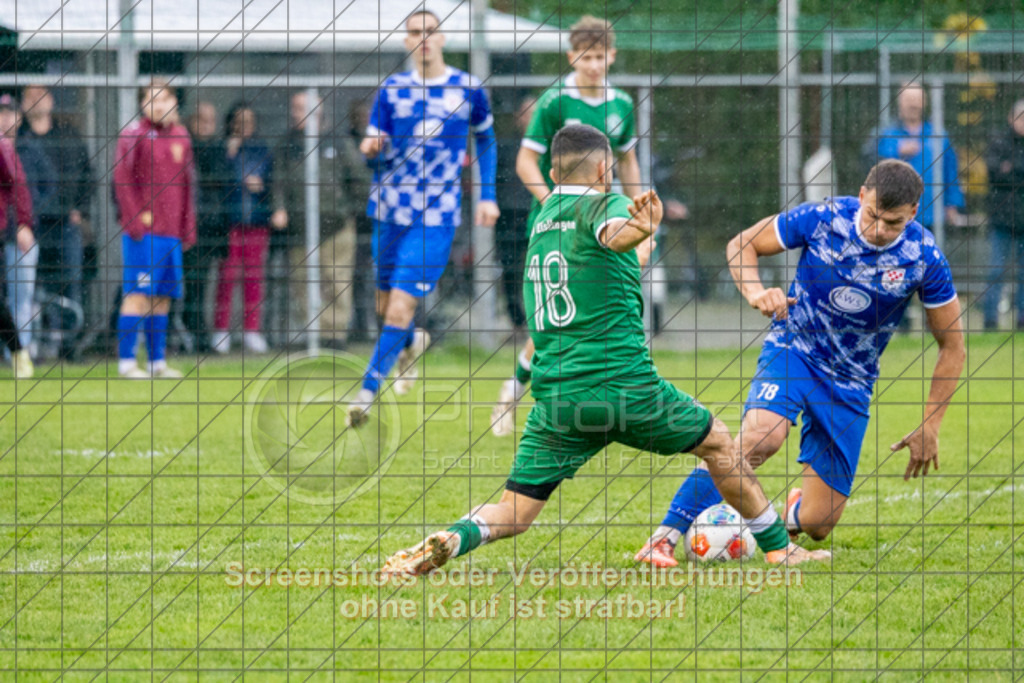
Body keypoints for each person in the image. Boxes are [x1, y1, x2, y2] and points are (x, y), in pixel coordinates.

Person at [381, 125, 827, 576]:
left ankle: (454, 537)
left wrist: (633, 240)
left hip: (558, 399)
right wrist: (639, 226)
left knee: (514, 513)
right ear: (602, 168)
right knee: (718, 443)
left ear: (552, 171)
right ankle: (779, 548)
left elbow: (598, 257)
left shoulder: (545, 218)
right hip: (625, 389)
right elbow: (613, 233)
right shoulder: (604, 202)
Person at [634, 160, 966, 568]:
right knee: (760, 439)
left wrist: (931, 424)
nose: (878, 229)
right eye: (872, 215)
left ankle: (792, 512)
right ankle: (663, 538)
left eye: (892, 223)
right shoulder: (823, 218)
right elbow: (741, 244)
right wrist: (757, 293)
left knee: (819, 522)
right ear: (861, 196)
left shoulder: (924, 257)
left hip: (852, 382)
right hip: (795, 350)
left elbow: (952, 346)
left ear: (913, 213)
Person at [491, 15, 643, 437]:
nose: (593, 64)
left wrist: (635, 211)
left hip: (605, 228)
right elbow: (525, 161)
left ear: (611, 56)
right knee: (552, 317)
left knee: (606, 308)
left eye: (600, 56)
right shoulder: (554, 101)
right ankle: (518, 390)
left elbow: (627, 160)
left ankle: (608, 395)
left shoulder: (622, 105)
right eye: (585, 56)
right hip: (559, 229)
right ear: (571, 56)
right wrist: (557, 204)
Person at [347, 9, 499, 427]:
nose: (424, 39)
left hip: (436, 215)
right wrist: (370, 146)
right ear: (406, 41)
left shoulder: (467, 88)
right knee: (386, 306)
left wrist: (487, 195)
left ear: (443, 38)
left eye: (431, 31)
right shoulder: (392, 90)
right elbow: (372, 139)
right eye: (416, 32)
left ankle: (365, 394)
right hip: (389, 210)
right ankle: (412, 341)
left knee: (398, 306)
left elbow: (486, 141)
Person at [272, 91, 369, 349]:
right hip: (299, 227)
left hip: (336, 226)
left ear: (318, 111)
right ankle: (313, 334)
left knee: (335, 281)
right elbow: (278, 181)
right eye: (294, 108)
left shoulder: (337, 141)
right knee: (302, 282)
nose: (295, 114)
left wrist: (348, 209)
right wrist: (279, 208)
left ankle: (334, 335)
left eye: (300, 108)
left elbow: (358, 178)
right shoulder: (288, 143)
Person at [113, 78, 195, 379]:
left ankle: (156, 362)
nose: (159, 105)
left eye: (164, 99)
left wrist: (188, 226)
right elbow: (122, 181)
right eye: (152, 100)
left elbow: (188, 185)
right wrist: (134, 222)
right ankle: (126, 362)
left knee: (162, 297)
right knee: (137, 294)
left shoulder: (182, 136)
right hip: (143, 234)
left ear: (174, 102)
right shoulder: (133, 135)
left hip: (171, 234)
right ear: (142, 104)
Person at [19, 85, 94, 318]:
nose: (36, 101)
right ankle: (35, 343)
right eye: (30, 97)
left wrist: (80, 209)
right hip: (30, 226)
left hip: (64, 223)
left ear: (51, 101)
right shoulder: (19, 138)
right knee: (27, 284)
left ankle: (68, 343)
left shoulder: (68, 135)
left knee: (70, 281)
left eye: (40, 96)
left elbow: (87, 175)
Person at [211, 103, 278, 354]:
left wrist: (263, 187)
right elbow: (214, 180)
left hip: (257, 220)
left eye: (249, 120)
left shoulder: (262, 149)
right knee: (227, 277)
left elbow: (274, 181)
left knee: (253, 277)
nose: (244, 126)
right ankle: (221, 330)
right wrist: (229, 157)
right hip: (230, 221)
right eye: (239, 120)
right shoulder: (223, 149)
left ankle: (252, 330)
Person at [876, 83, 965, 234]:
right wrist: (896, 151)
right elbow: (874, 164)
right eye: (908, 99)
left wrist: (952, 204)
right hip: (896, 214)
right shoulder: (887, 135)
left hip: (932, 215)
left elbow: (950, 171)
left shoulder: (939, 135)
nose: (913, 104)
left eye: (917, 99)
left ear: (925, 102)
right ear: (900, 102)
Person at [1, 94, 50, 360]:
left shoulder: (31, 149)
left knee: (22, 297)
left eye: (10, 113)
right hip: (2, 231)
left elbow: (45, 186)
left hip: (20, 234)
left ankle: (18, 355)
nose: (6, 118)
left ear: (20, 118)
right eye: (1, 112)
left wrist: (26, 220)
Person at [184, 101, 229, 352]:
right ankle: (183, 335)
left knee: (201, 284)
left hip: (210, 229)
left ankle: (198, 336)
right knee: (184, 284)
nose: (205, 125)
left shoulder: (218, 149)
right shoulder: (185, 147)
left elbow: (220, 182)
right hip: (186, 226)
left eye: (210, 120)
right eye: (200, 119)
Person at [494, 97, 536, 336]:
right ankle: (517, 321)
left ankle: (541, 319)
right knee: (510, 269)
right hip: (509, 216)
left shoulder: (549, 145)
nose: (530, 118)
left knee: (542, 266)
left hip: (537, 212)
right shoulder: (506, 146)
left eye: (534, 112)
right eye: (525, 113)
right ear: (518, 118)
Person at [0, 94, 34, 377]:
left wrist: (23, 223)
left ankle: (19, 349)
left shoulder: (6, 146)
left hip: (4, 230)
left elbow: (17, 185)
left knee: (11, 298)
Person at [982, 99, 1024, 330]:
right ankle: (990, 320)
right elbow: (995, 172)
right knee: (996, 271)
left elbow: (1007, 171)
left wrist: (1012, 168)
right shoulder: (998, 141)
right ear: (1011, 118)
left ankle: (1022, 320)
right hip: (1002, 221)